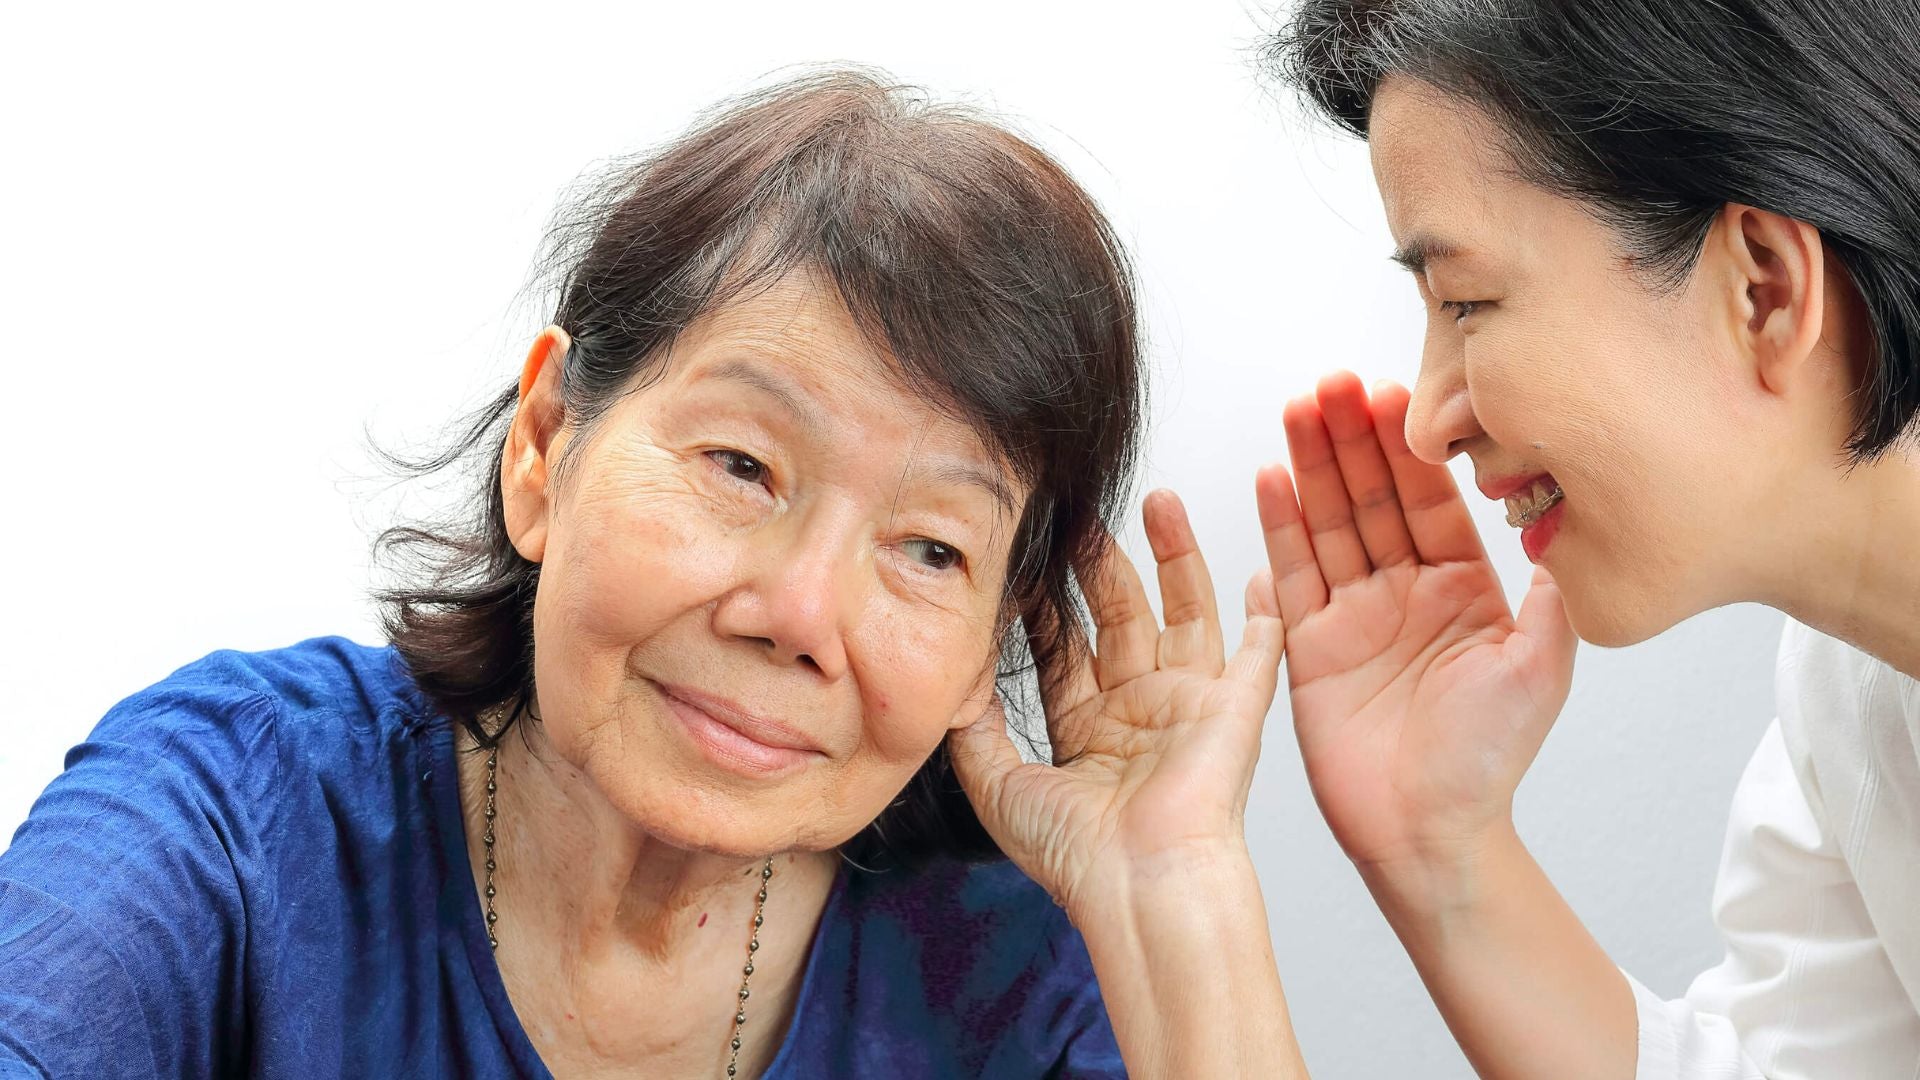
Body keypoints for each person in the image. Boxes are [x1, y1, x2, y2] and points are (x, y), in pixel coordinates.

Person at [0, 71, 1304, 1078]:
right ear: (543, 448)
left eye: (929, 548)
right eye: (742, 466)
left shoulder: (1006, 981)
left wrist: (1177, 894)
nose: (800, 616)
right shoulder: (238, 811)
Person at [1254, 1, 1920, 1076]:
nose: (1429, 419)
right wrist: (1443, 851)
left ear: (1763, 288)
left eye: (1465, 301)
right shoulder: (1851, 688)